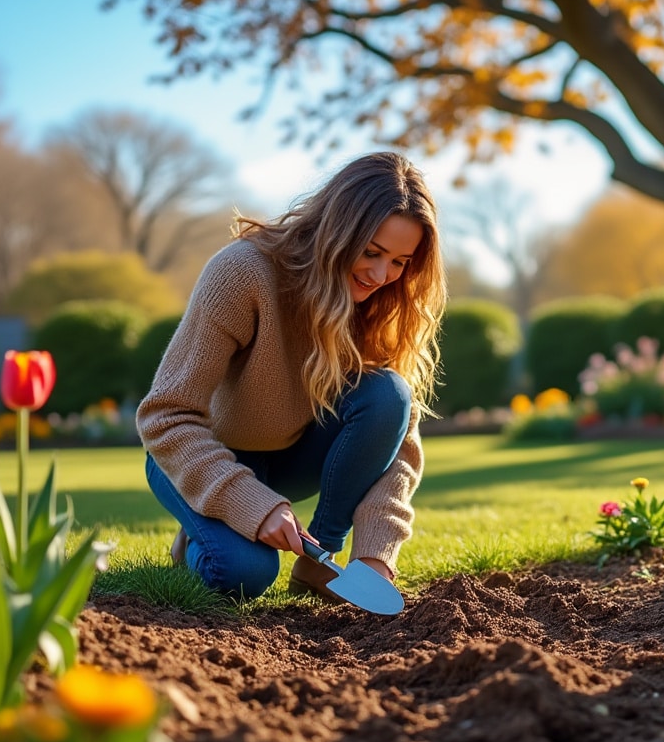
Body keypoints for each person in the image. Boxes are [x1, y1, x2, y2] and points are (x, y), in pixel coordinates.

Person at [136, 151, 447, 601]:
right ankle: (198, 536)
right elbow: (165, 416)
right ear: (338, 231)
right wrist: (256, 508)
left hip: (287, 457)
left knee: (388, 396)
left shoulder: (380, 303)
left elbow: (397, 436)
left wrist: (376, 556)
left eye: (400, 261)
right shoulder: (242, 273)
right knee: (242, 574)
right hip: (196, 456)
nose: (382, 275)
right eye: (372, 252)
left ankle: (319, 563)